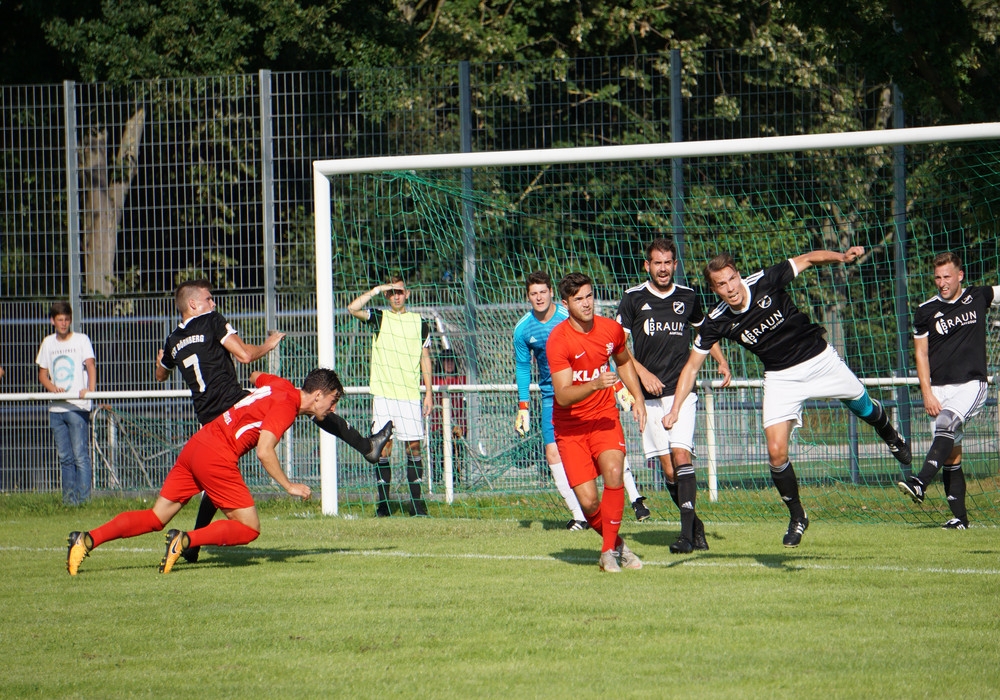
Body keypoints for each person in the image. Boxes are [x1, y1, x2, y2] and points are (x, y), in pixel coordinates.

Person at [665, 248, 912, 548]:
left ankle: (890, 435)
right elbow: (691, 367)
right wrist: (675, 409)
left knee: (864, 407)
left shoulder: (765, 280)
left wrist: (842, 258)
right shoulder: (716, 320)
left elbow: (807, 259)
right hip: (781, 377)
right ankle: (798, 516)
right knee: (776, 452)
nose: (729, 288)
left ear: (738, 275)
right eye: (721, 284)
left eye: (731, 279)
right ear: (714, 289)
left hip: (819, 359)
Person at [157, 279, 392, 563]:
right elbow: (245, 356)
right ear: (194, 303)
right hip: (232, 405)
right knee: (302, 403)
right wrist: (268, 346)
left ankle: (192, 544)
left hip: (208, 414)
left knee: (301, 405)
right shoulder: (211, 320)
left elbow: (161, 374)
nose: (213, 302)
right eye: (209, 298)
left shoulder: (173, 339)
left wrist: (161, 361)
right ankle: (366, 446)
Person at [66, 369, 343, 576]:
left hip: (198, 444)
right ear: (318, 395)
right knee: (249, 528)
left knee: (156, 517)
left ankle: (87, 539)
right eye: (332, 401)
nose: (332, 409)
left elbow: (255, 375)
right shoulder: (287, 407)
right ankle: (185, 540)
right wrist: (289, 486)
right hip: (217, 455)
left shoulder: (280, 385)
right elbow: (264, 450)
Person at [616, 238, 732, 553]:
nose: (663, 268)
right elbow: (619, 347)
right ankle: (695, 526)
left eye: (668, 262)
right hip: (648, 397)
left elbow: (705, 333)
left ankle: (685, 537)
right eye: (657, 262)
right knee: (669, 472)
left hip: (682, 391)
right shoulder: (633, 298)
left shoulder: (687, 296)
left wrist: (721, 361)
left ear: (675, 265)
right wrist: (642, 374)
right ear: (647, 266)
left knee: (682, 457)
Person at [547, 272, 647, 572]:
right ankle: (618, 545)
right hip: (571, 427)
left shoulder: (611, 329)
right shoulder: (558, 340)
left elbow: (624, 361)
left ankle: (607, 554)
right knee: (589, 503)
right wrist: (594, 384)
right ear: (565, 304)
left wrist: (638, 398)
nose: (586, 303)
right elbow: (563, 396)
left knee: (615, 472)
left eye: (589, 296)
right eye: (578, 299)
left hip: (604, 417)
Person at [897, 252, 1000, 528]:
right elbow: (921, 354)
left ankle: (920, 482)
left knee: (946, 422)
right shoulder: (925, 310)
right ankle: (960, 518)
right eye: (937, 277)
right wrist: (927, 393)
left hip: (971, 383)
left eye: (947, 277)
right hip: (939, 390)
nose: (942, 282)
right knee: (951, 454)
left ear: (959, 276)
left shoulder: (978, 296)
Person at [349, 275, 433, 517]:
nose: (396, 296)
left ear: (407, 294)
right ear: (387, 295)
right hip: (384, 395)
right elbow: (352, 309)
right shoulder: (379, 318)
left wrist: (428, 393)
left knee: (414, 449)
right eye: (391, 292)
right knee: (383, 450)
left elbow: (425, 358)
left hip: (409, 396)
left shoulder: (420, 323)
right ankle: (383, 505)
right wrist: (377, 289)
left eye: (400, 291)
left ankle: (417, 506)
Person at [36, 301, 97, 506]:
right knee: (65, 457)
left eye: (67, 320)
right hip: (56, 408)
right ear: (52, 321)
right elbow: (42, 374)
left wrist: (89, 390)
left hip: (77, 406)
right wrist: (52, 388)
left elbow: (90, 365)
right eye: (60, 320)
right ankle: (69, 502)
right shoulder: (48, 343)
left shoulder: (81, 340)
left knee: (80, 456)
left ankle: (84, 501)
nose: (63, 323)